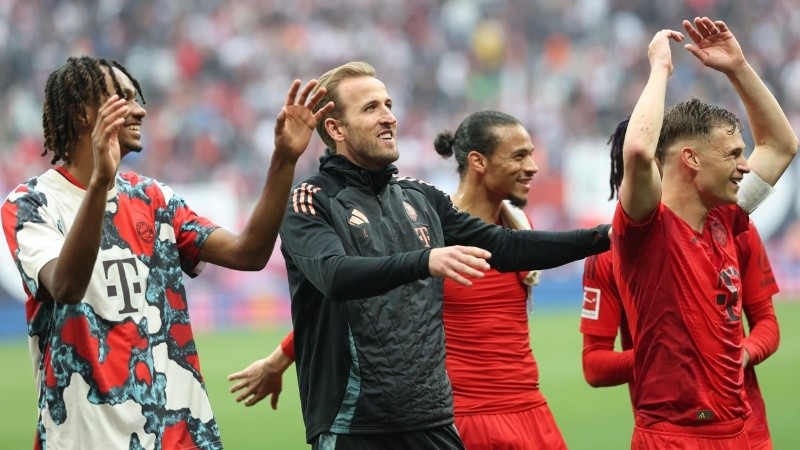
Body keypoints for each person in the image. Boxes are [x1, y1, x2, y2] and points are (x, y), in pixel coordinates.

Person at [260, 61, 611, 450]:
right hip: (354, 424)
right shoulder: (310, 199)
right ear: (336, 129)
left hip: (433, 420)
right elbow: (333, 276)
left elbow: (507, 247)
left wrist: (608, 236)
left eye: (388, 104)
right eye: (370, 108)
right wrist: (424, 260)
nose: (388, 117)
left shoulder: (420, 196)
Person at [0, 55, 333, 449]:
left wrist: (285, 158)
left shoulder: (154, 198)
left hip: (181, 436)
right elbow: (66, 285)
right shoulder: (32, 204)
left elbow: (249, 254)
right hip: (85, 438)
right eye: (123, 98)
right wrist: (100, 183)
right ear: (82, 114)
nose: (141, 109)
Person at [614, 17, 797, 449]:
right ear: (692, 159)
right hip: (674, 436)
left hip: (737, 431)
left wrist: (737, 67)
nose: (746, 164)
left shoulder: (727, 218)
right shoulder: (646, 226)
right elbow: (640, 150)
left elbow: (781, 147)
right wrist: (660, 69)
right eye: (733, 154)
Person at [580, 118, 781, 449]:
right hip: (672, 429)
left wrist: (737, 353)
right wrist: (662, 355)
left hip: (747, 429)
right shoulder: (610, 254)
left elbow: (768, 325)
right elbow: (594, 364)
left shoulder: (735, 226)